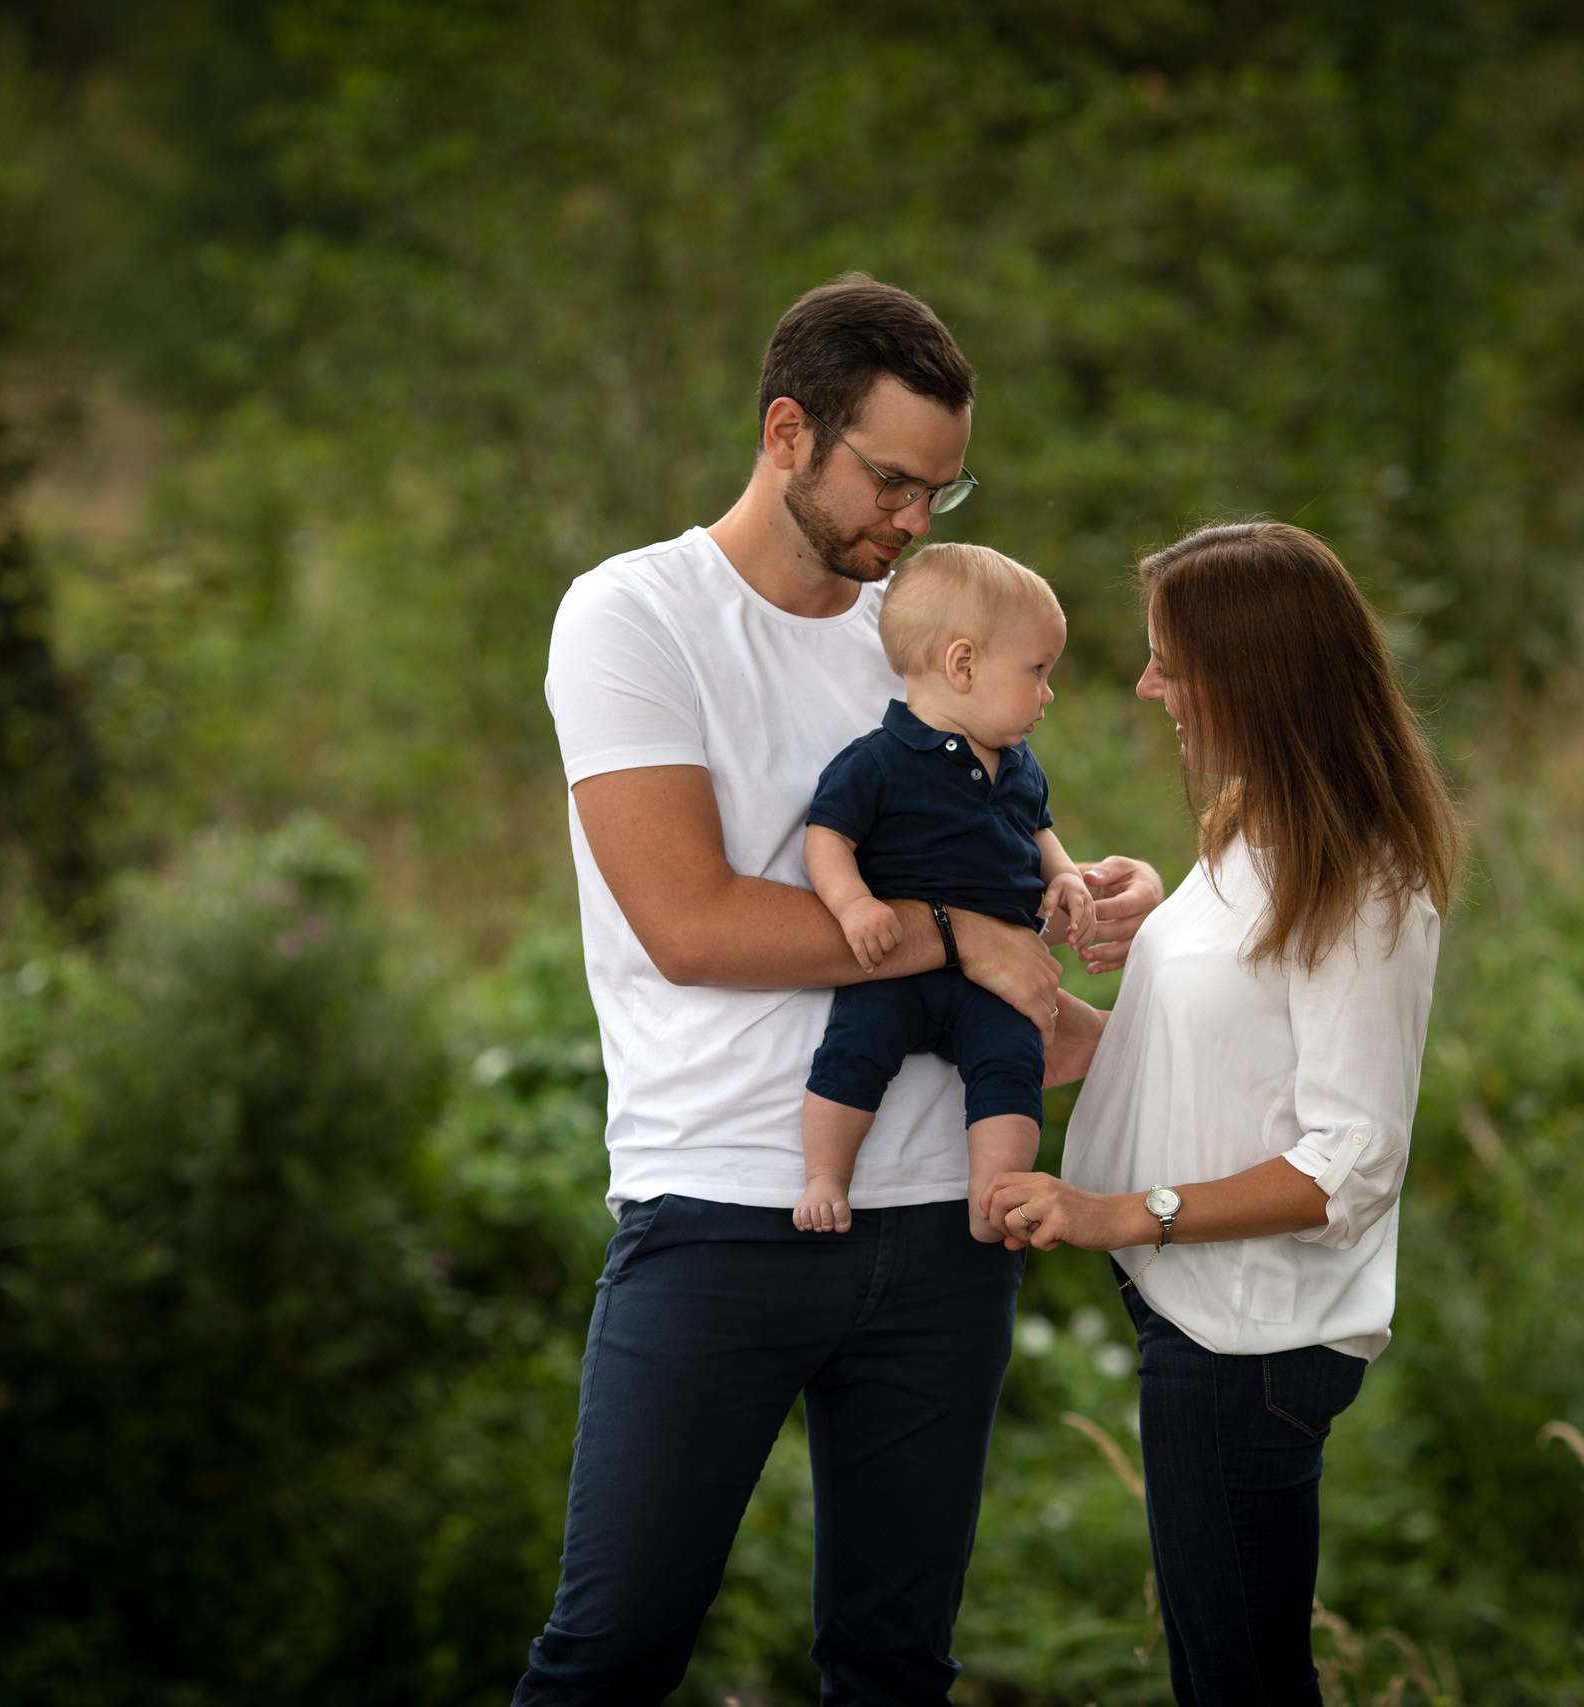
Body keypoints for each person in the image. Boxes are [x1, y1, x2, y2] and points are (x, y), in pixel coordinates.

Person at [519, 273, 1165, 1705]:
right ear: (787, 429)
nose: (915, 520)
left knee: (894, 1665)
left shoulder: (919, 629)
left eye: (944, 485)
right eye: (889, 479)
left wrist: (1085, 897)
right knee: (611, 1649)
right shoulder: (634, 615)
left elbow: (993, 867)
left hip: (947, 1223)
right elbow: (686, 921)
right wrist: (958, 938)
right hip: (723, 1206)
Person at [985, 521, 1462, 1707]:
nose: (1147, 685)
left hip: (1249, 1344)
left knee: (1241, 1686)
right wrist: (1082, 1031)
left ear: (1252, 674)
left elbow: (1347, 1165)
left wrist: (1114, 1214)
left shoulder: (1359, 879)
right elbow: (1239, 1051)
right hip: (1194, 1324)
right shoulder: (1253, 833)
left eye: (1167, 660)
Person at [797, 543, 1095, 1241]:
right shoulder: (879, 759)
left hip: (998, 979)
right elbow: (826, 838)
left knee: (1013, 1063)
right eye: (1038, 672)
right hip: (901, 959)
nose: (1047, 694)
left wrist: (1068, 877)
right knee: (855, 1048)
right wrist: (853, 904)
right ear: (963, 664)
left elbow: (1039, 833)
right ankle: (824, 1175)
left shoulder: (1021, 764)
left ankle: (992, 1198)